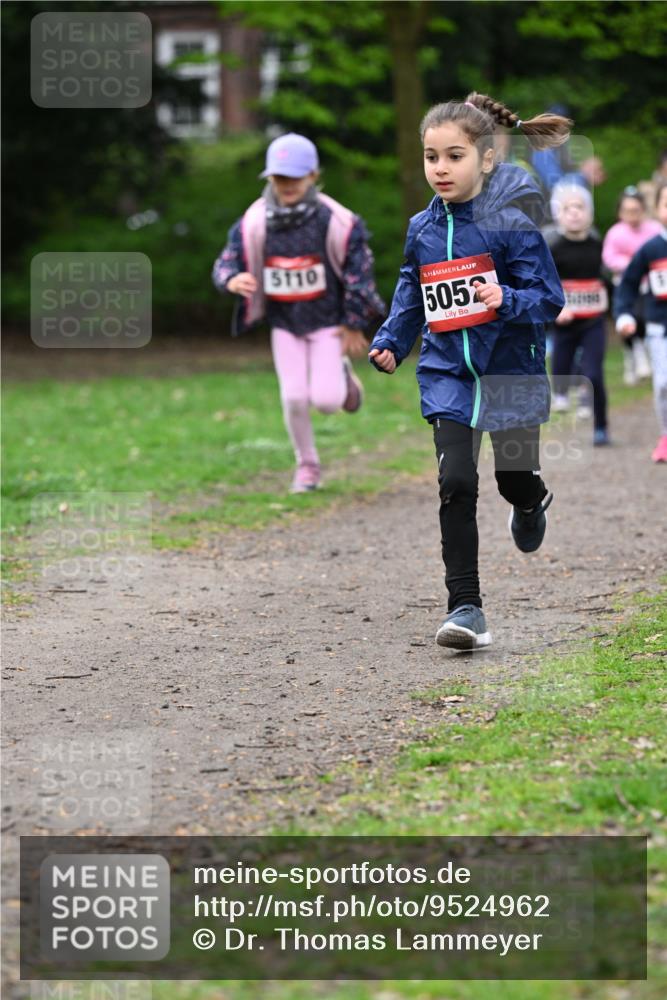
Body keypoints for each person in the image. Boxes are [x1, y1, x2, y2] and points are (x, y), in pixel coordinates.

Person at [369, 93, 569, 651]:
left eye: (453, 156)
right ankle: (466, 608)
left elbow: (548, 298)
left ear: (484, 159)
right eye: (431, 157)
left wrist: (504, 297)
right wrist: (391, 340)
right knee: (455, 483)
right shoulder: (422, 229)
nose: (439, 168)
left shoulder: (513, 223)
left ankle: (531, 503)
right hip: (447, 373)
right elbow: (412, 290)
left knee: (513, 480)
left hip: (509, 373)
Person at [212, 133, 385, 493]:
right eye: (279, 178)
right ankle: (307, 466)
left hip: (327, 323)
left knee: (325, 401)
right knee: (292, 397)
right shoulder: (255, 221)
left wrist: (354, 323)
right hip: (284, 324)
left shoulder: (335, 220)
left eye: (294, 177)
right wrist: (232, 280)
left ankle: (342, 378)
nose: (286, 185)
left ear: (312, 175)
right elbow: (227, 260)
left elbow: (359, 275)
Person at [547, 182, 610, 446]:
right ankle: (561, 394)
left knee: (594, 373)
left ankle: (601, 426)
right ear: (557, 214)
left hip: (593, 321)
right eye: (567, 208)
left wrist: (608, 296)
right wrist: (557, 308)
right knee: (561, 367)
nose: (574, 213)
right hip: (565, 323)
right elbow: (545, 284)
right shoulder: (553, 248)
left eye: (580, 207)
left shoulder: (598, 245)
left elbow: (607, 278)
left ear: (590, 213)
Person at [614, 181, 667, 463]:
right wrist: (623, 313)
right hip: (660, 329)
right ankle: (666, 436)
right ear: (657, 210)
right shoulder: (651, 249)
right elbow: (628, 285)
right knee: (663, 384)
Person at [602, 187, 661, 386]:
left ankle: (647, 356)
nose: (632, 215)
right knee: (627, 320)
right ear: (620, 212)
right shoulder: (615, 233)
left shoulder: (654, 229)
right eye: (627, 211)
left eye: (636, 210)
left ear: (643, 209)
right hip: (626, 284)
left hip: (651, 285)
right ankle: (632, 359)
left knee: (643, 319)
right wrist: (632, 265)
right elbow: (609, 258)